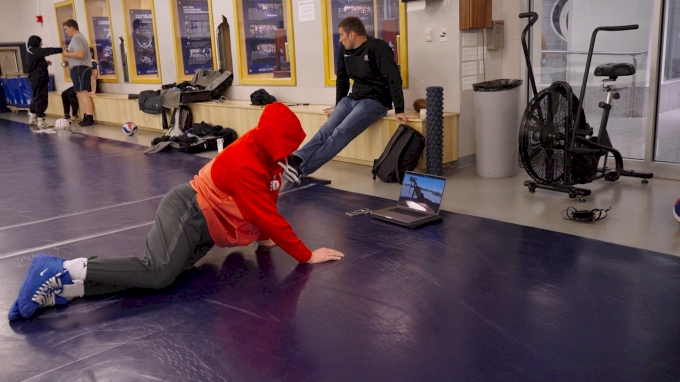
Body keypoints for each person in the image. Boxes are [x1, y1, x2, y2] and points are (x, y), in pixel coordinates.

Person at [8, 102, 345, 321]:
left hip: (205, 229)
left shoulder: (269, 155)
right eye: (284, 146)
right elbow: (266, 213)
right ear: (272, 140)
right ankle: (58, 268)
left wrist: (266, 239)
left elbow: (268, 201)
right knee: (157, 273)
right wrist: (305, 255)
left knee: (162, 276)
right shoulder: (245, 161)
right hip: (189, 209)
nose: (287, 154)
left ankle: (64, 289)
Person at [282, 16, 407, 183]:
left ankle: (301, 170)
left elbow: (394, 78)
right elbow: (342, 79)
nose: (340, 39)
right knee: (326, 129)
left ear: (352, 34)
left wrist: (399, 109)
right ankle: (296, 159)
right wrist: (338, 104)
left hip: (375, 102)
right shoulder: (344, 50)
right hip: (352, 99)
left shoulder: (378, 48)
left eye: (341, 35)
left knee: (339, 134)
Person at [61, 19, 95, 127]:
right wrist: (69, 61)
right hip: (79, 67)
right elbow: (79, 55)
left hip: (80, 68)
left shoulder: (76, 38)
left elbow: (80, 54)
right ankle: (86, 116)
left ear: (72, 28)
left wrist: (67, 54)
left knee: (83, 93)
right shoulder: (78, 38)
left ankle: (89, 117)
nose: (66, 32)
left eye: (66, 29)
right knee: (80, 94)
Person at [26, 36, 62, 129]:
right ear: (36, 42)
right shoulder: (34, 50)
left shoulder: (31, 51)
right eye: (40, 42)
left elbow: (34, 64)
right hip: (39, 79)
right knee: (41, 98)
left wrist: (45, 63)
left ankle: (33, 118)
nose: (41, 44)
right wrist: (61, 49)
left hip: (35, 78)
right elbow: (47, 51)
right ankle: (41, 120)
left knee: (36, 97)